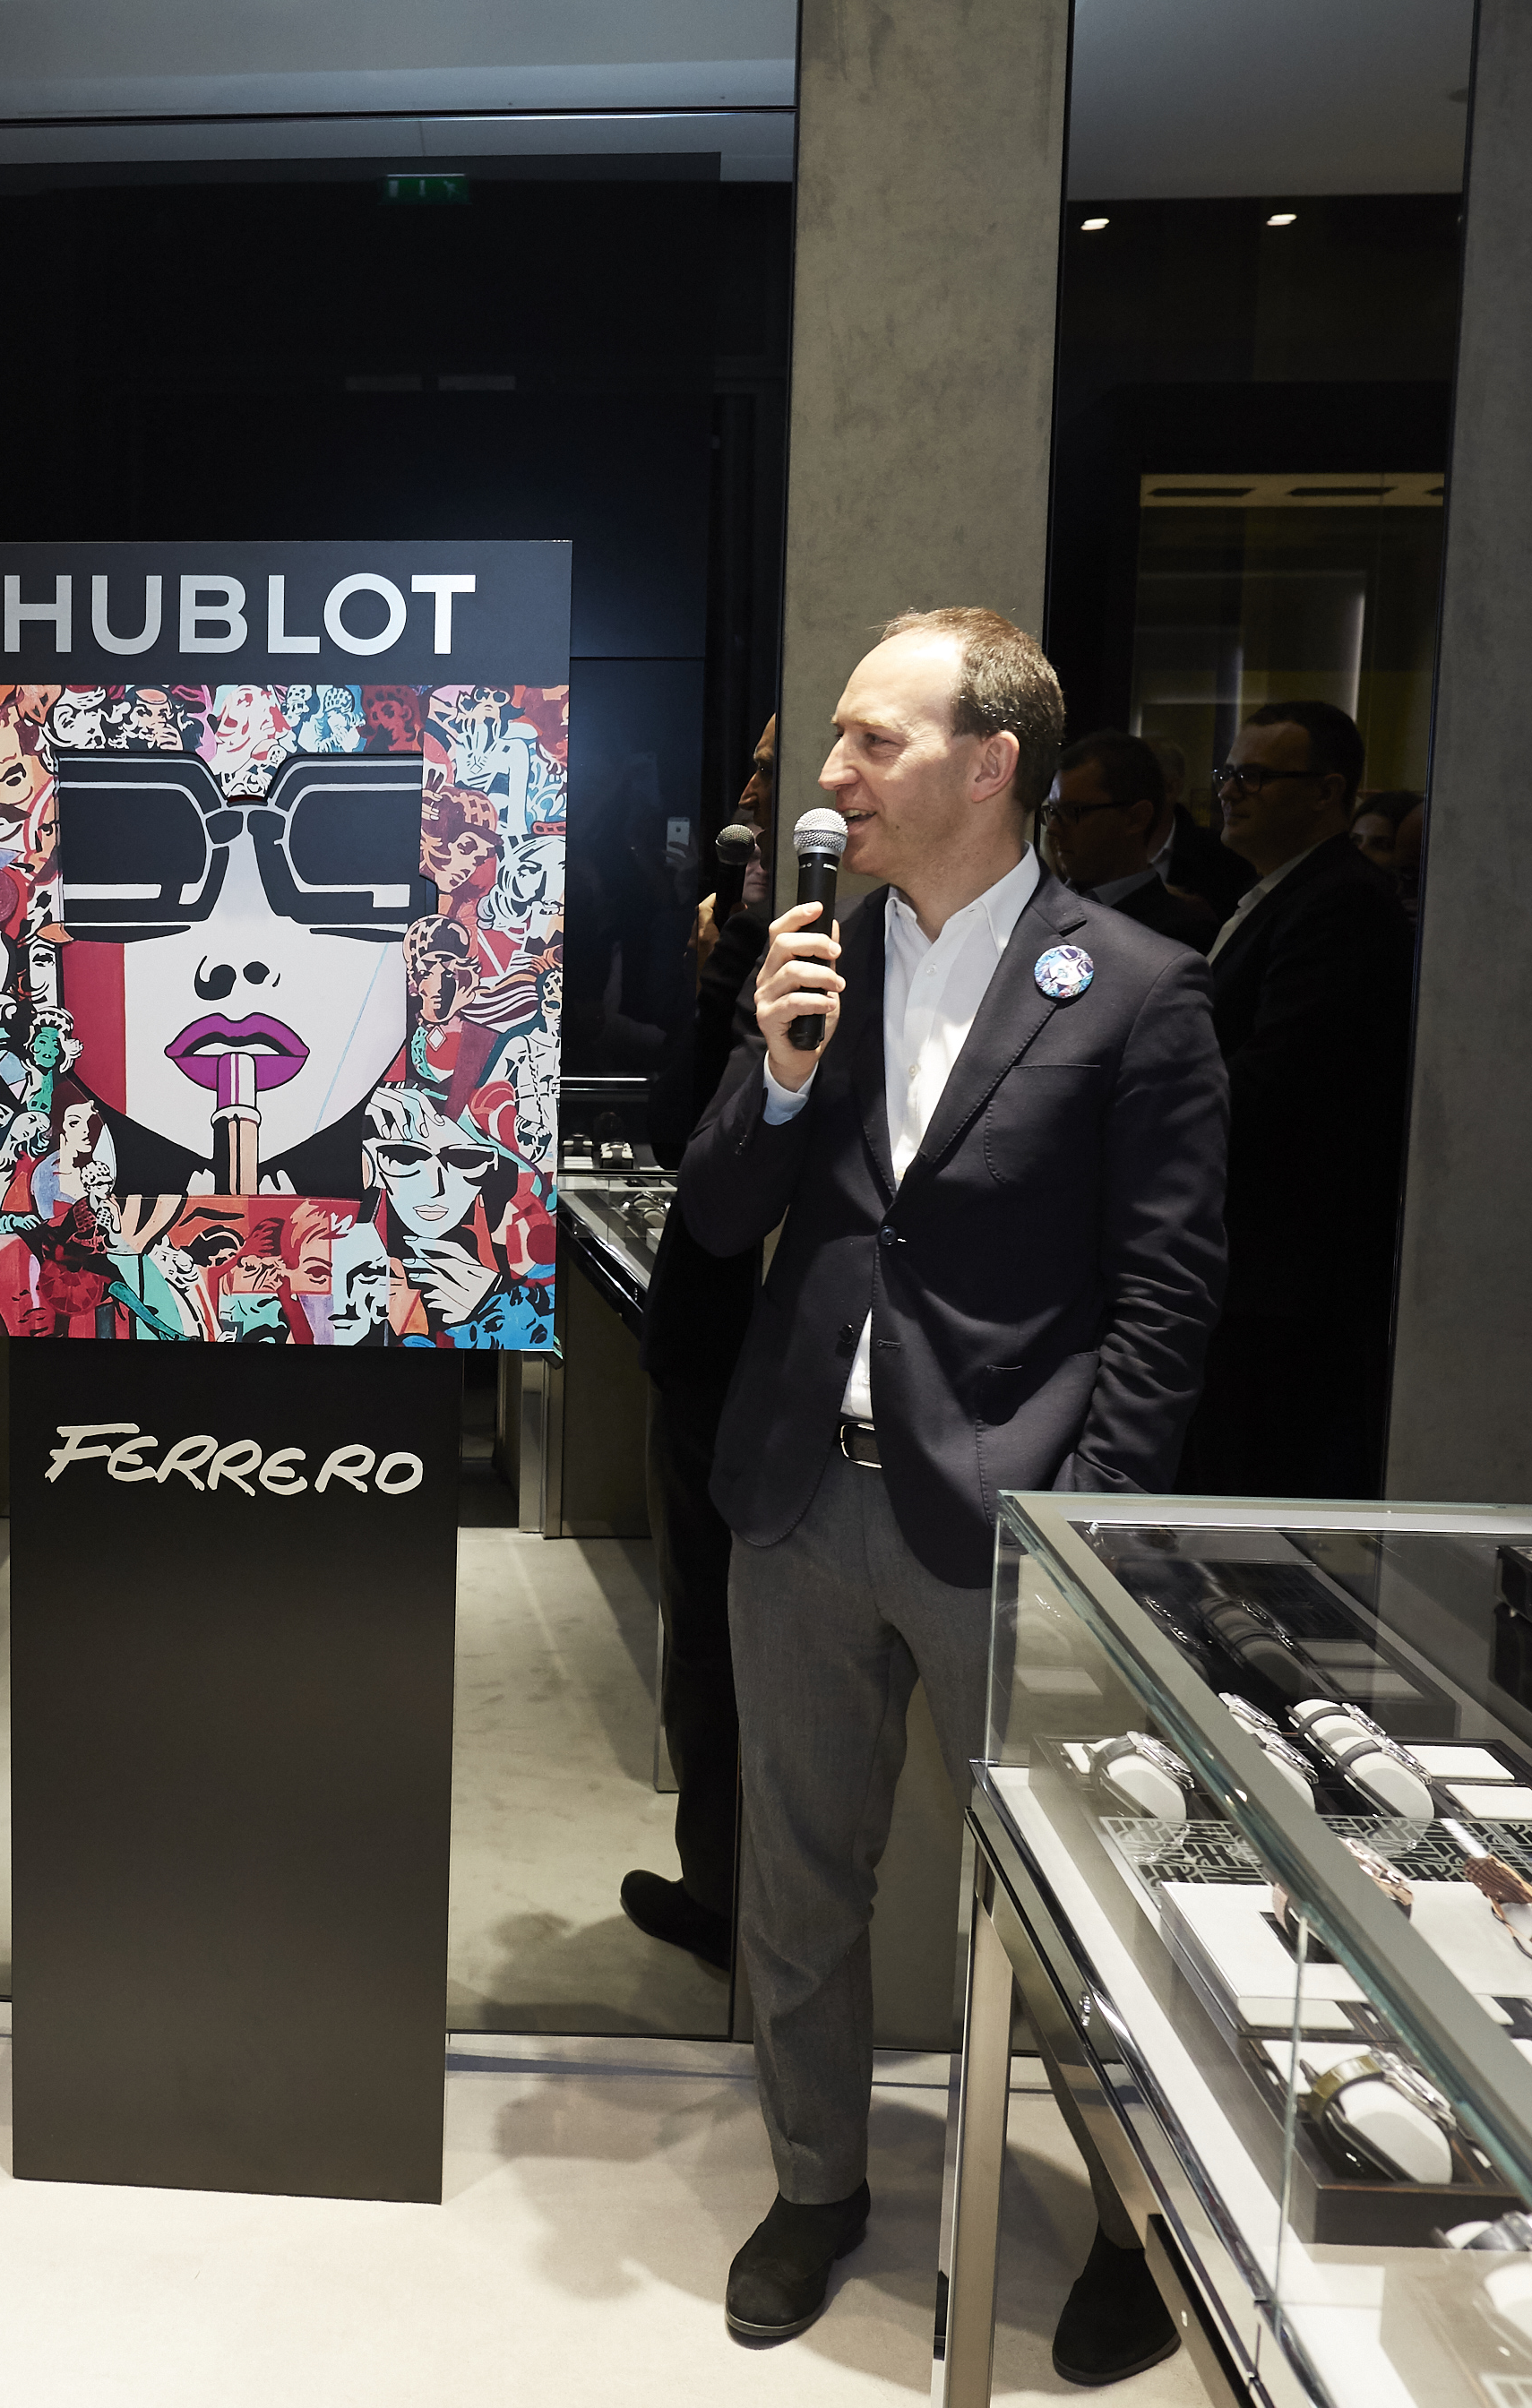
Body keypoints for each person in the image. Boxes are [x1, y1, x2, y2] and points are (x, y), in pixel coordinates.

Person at [677, 608, 1226, 2368]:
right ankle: (816, 2182)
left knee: (1072, 1908)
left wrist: (1086, 1529)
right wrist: (775, 1071)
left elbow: (1166, 1295)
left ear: (991, 765)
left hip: (1011, 1526)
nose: (832, 777)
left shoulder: (1136, 986)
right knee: (797, 1885)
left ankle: (1138, 2227)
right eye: (835, 743)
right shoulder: (814, 962)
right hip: (798, 1505)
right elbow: (716, 1218)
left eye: (871, 742)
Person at [621, 714, 776, 1973]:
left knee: (726, 1635)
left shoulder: (811, 942)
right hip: (721, 1338)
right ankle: (722, 1882)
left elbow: (693, 1137)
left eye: (772, 773)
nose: (753, 791)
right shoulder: (752, 929)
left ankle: (731, 1895)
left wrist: (726, 976)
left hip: (754, 1343)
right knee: (711, 1632)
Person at [1174, 699, 1412, 1501]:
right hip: (1254, 1264)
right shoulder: (1283, 890)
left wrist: (1146, 1113)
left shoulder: (1340, 899)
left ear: (1327, 791)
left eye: (1256, 777)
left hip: (1286, 1273)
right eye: (1228, 773)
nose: (1230, 791)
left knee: (1255, 1495)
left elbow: (1280, 1079)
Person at [1038, 729, 1220, 951]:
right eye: (1053, 812)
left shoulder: (1179, 934)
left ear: (1136, 818)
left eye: (1072, 811)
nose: (1053, 829)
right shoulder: (1038, 910)